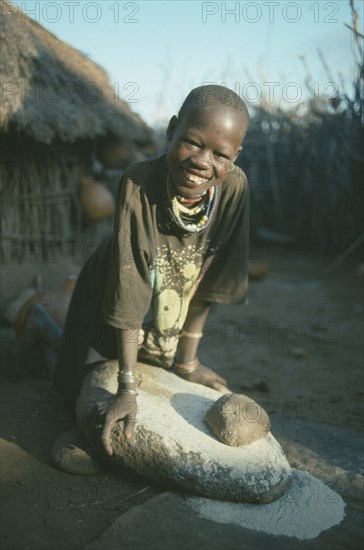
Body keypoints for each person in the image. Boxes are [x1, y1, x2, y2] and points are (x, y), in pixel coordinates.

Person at [47, 84, 250, 457]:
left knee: (158, 365)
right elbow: (130, 285)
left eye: (220, 154)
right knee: (81, 380)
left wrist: (187, 362)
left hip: (173, 292)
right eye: (192, 142)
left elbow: (213, 277)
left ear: (235, 156)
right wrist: (126, 388)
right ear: (172, 129)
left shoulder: (235, 188)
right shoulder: (139, 181)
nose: (203, 161)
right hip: (110, 288)